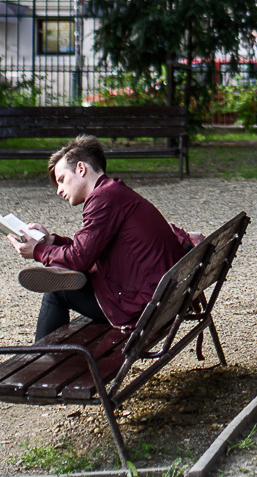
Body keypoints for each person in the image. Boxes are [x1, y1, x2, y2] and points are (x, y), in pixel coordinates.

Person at [10, 135, 200, 340]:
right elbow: (88, 249)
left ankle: (41, 358)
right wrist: (51, 242)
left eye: (62, 180)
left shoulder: (103, 198)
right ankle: (48, 353)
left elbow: (80, 257)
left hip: (144, 306)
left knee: (57, 290)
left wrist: (38, 251)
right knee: (68, 278)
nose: (59, 190)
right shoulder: (113, 191)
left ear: (81, 168)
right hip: (161, 296)